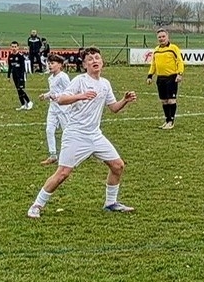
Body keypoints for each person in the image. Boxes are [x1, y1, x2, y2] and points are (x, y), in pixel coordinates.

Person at [27, 47, 138, 218]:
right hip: (76, 134)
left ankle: (110, 203)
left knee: (118, 166)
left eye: (97, 58)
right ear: (85, 64)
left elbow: (114, 108)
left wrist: (125, 100)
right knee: (63, 173)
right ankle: (37, 205)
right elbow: (61, 99)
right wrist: (81, 96)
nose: (95, 61)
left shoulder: (105, 84)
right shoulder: (80, 80)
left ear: (102, 62)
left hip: (95, 135)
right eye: (90, 59)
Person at [146, 29, 184, 130]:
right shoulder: (156, 50)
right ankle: (167, 120)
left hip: (171, 77)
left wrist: (179, 73)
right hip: (160, 78)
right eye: (159, 37)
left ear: (167, 37)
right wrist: (150, 76)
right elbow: (153, 64)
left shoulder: (173, 48)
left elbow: (179, 61)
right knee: (164, 101)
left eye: (163, 36)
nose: (161, 39)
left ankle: (171, 121)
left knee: (171, 100)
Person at [38, 54, 72, 166]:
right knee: (49, 130)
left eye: (52, 63)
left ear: (60, 65)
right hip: (53, 108)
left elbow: (69, 91)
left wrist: (56, 96)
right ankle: (53, 155)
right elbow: (53, 92)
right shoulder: (50, 78)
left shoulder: (63, 77)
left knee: (67, 132)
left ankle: (73, 153)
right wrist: (46, 95)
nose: (50, 65)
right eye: (49, 63)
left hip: (63, 108)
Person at [6, 41, 32, 110]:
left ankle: (29, 102)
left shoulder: (20, 56)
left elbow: (23, 68)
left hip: (21, 75)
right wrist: (8, 76)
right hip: (14, 75)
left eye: (15, 47)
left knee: (20, 89)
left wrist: (21, 77)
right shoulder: (10, 56)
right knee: (18, 90)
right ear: (10, 47)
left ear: (18, 47)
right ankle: (23, 104)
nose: (14, 48)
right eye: (12, 47)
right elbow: (10, 67)